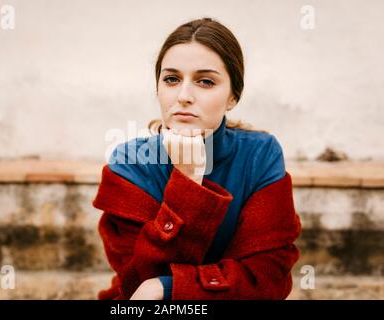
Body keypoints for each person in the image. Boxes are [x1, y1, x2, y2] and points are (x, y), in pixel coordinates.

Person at [93, 17, 301, 300]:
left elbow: (266, 280)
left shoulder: (259, 155)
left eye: (205, 81)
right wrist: (187, 181)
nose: (183, 96)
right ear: (158, 89)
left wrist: (167, 288)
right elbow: (137, 283)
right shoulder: (130, 163)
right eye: (171, 79)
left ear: (232, 96)